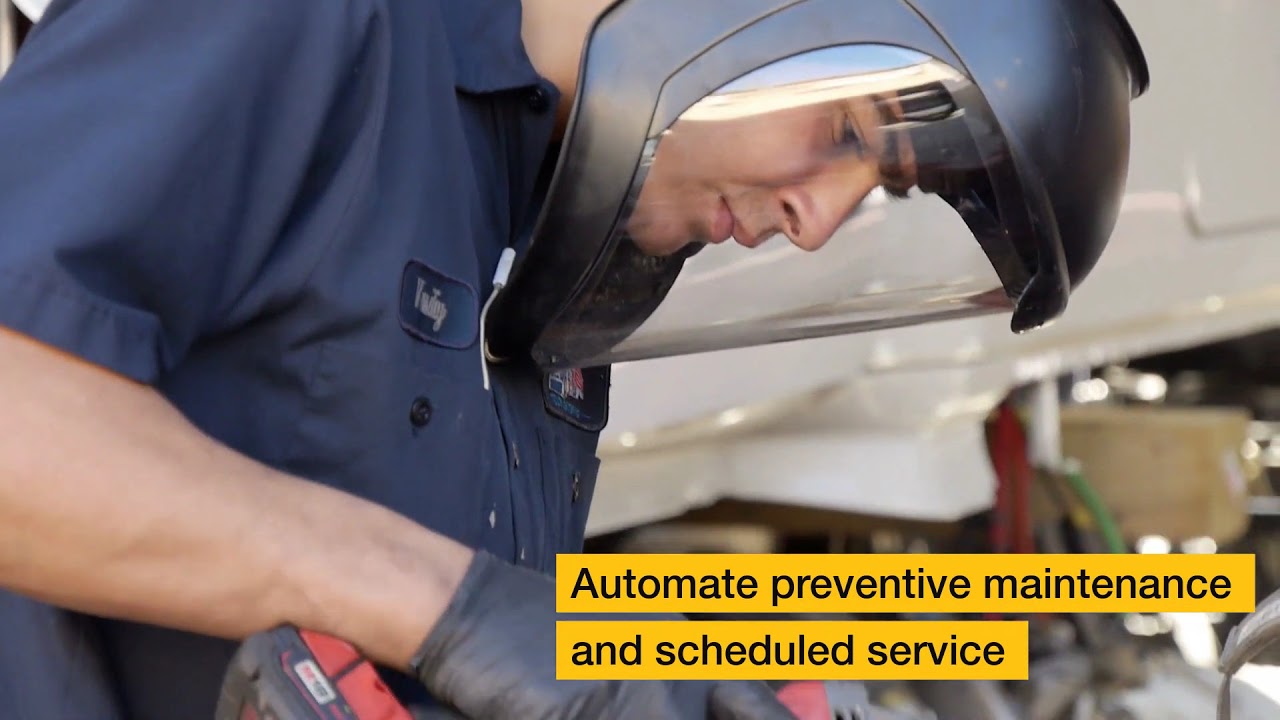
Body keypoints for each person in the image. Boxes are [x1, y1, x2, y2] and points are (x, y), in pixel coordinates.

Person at [0, 0, 1148, 717]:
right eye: (846, 132)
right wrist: (443, 610)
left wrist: (647, 673)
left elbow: (476, 652)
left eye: (882, 180)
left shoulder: (553, 241)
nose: (816, 218)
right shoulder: (302, 21)